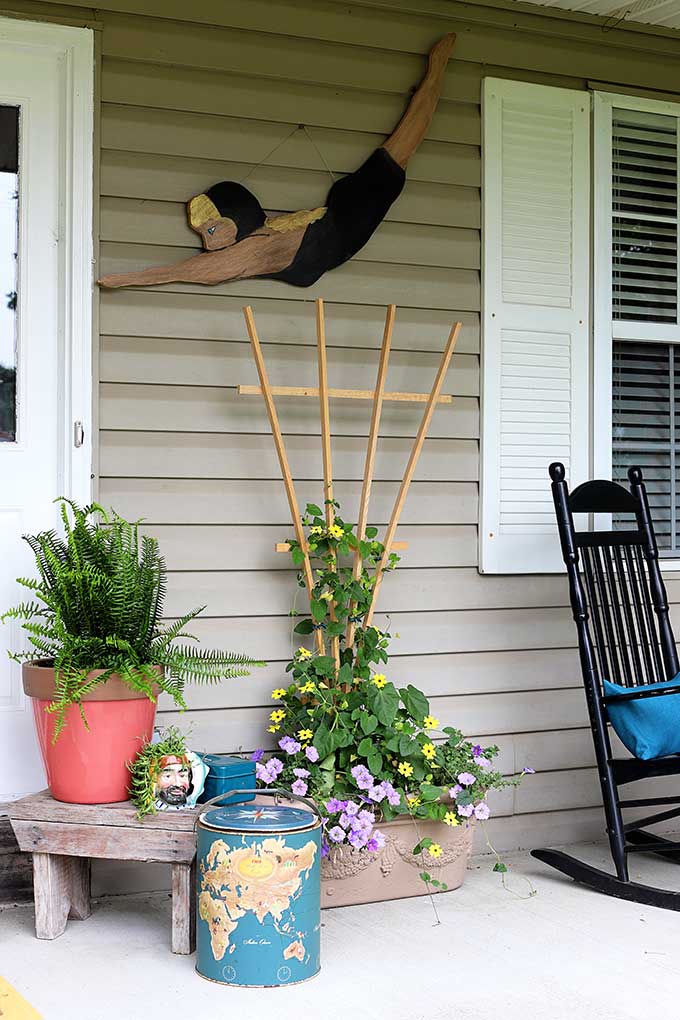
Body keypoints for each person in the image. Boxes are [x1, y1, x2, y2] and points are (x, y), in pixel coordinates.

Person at [98, 33, 455, 291]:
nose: (206, 243)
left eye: (211, 230)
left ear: (237, 218)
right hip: (334, 230)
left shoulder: (257, 242)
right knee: (394, 154)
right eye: (203, 234)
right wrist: (129, 279)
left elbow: (195, 270)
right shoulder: (255, 249)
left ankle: (434, 76)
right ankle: (431, 83)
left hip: (339, 222)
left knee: (398, 150)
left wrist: (129, 279)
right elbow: (199, 269)